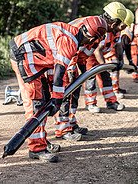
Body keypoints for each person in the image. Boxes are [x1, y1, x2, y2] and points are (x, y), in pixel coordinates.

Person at [9, 16, 107, 163]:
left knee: (43, 102)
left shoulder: (72, 35)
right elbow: (60, 71)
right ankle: (36, 149)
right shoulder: (70, 41)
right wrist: (57, 97)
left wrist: (55, 96)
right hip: (25, 58)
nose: (92, 44)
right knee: (36, 104)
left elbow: (56, 66)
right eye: (93, 40)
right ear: (88, 34)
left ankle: (41, 141)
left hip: (36, 60)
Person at [80, 2, 128, 113]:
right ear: (114, 21)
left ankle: (111, 102)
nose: (121, 28)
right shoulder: (102, 28)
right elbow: (97, 50)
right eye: (120, 25)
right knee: (90, 80)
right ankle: (91, 103)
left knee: (106, 78)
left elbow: (118, 45)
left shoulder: (114, 31)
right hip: (89, 57)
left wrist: (120, 61)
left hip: (99, 56)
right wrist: (104, 66)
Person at [104, 9, 135, 98]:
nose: (124, 28)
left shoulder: (118, 31)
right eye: (123, 26)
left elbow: (119, 45)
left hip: (109, 52)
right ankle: (113, 90)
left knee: (115, 68)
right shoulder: (107, 29)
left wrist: (122, 60)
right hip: (99, 54)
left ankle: (115, 89)